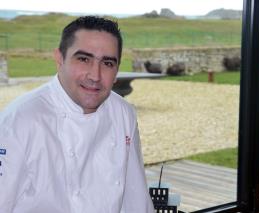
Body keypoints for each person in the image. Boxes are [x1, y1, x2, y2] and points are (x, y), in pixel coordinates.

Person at [0, 16, 154, 213]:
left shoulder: (123, 113)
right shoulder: (19, 120)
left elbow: (136, 198)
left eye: (107, 63)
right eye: (83, 59)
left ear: (116, 70)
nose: (95, 76)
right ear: (59, 58)